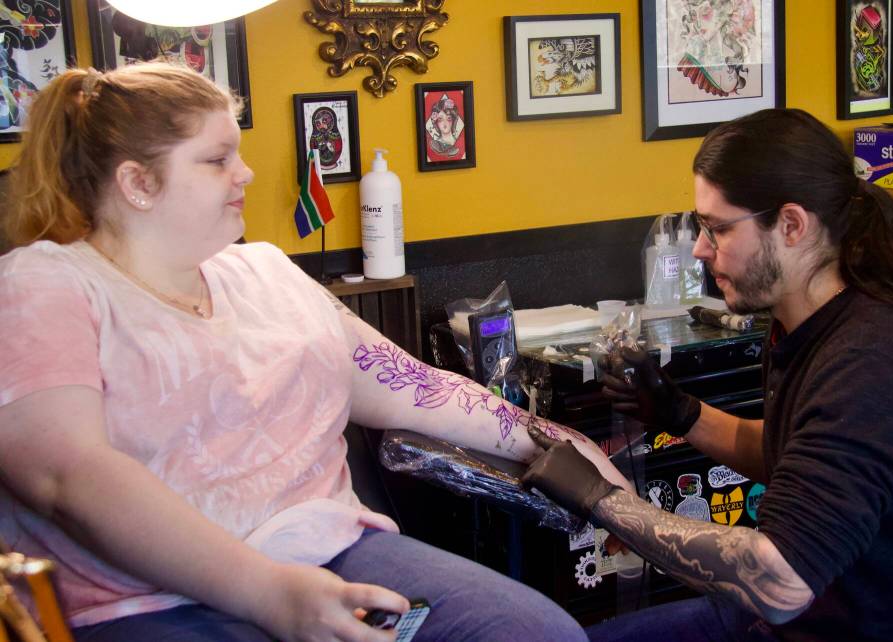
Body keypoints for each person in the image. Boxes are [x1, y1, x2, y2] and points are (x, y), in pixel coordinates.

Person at [0, 62, 634, 642]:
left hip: (326, 546)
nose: (245, 174)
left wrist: (555, 442)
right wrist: (267, 592)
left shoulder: (264, 271)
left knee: (534, 634)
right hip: (145, 598)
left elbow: (415, 386)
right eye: (218, 159)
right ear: (138, 182)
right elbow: (67, 476)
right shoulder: (45, 284)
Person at [523, 108, 893, 642]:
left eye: (718, 229)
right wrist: (681, 414)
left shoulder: (873, 363)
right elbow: (791, 452)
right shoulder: (800, 324)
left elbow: (780, 582)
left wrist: (604, 500)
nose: (701, 249)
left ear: (791, 225)